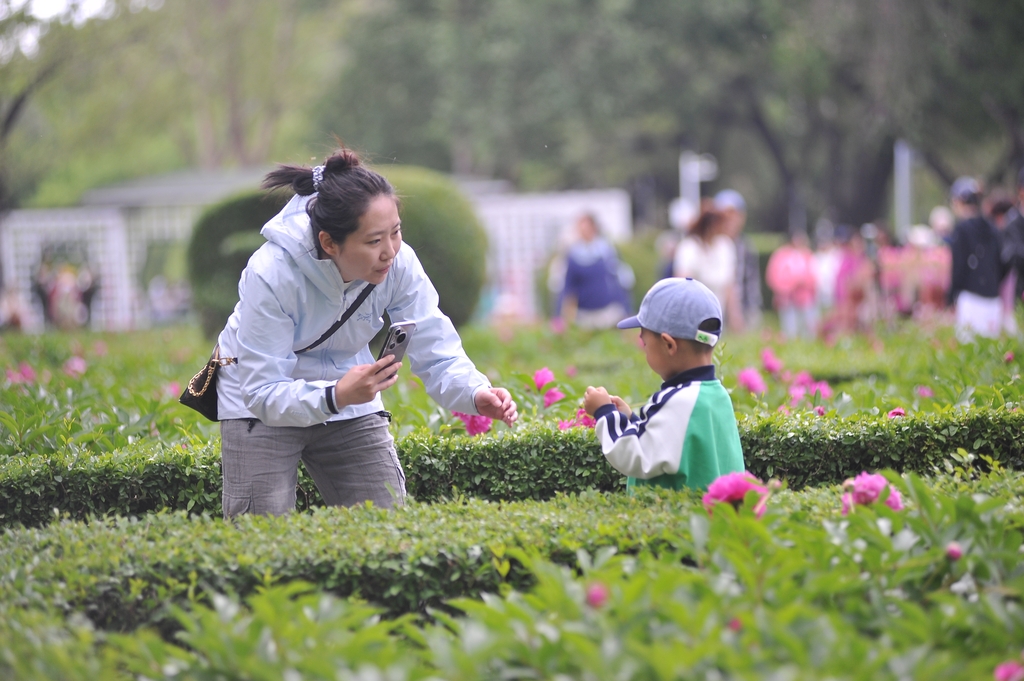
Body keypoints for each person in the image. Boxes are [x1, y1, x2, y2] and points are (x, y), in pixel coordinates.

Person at [214, 147, 518, 517]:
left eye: (396, 232)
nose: (390, 252)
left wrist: (474, 392)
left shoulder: (399, 263)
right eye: (374, 241)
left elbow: (435, 346)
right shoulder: (271, 273)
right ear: (329, 242)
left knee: (385, 522)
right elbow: (262, 390)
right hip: (259, 402)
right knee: (260, 532)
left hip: (349, 389)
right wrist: (336, 394)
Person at [582, 277, 745, 492]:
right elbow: (671, 442)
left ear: (669, 345)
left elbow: (634, 456)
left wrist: (604, 412)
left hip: (673, 513)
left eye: (645, 341)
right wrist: (630, 419)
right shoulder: (716, 395)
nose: (643, 347)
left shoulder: (679, 401)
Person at [947, 176, 1004, 340]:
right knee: (991, 348)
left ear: (959, 201)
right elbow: (1002, 263)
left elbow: (958, 267)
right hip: (993, 298)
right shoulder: (992, 228)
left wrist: (951, 296)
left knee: (969, 348)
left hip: (970, 299)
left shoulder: (961, 230)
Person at [554, 213, 633, 329]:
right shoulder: (573, 255)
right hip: (584, 315)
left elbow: (618, 281)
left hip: (608, 312)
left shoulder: (606, 251)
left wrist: (627, 309)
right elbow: (568, 287)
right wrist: (560, 316)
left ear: (594, 228)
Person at [673, 202, 739, 330]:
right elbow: (682, 282)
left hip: (717, 313)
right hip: (692, 314)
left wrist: (735, 316)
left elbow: (730, 285)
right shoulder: (688, 247)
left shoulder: (726, 246)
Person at [715, 189, 762, 331]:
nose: (730, 221)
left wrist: (751, 311)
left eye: (734, 215)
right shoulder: (711, 245)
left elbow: (752, 282)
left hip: (744, 310)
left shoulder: (746, 246)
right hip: (716, 311)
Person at [765, 231, 817, 339]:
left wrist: (804, 283)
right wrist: (791, 285)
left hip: (805, 298)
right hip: (787, 299)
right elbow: (773, 277)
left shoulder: (807, 254)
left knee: (808, 329)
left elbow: (814, 276)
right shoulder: (780, 255)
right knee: (789, 330)